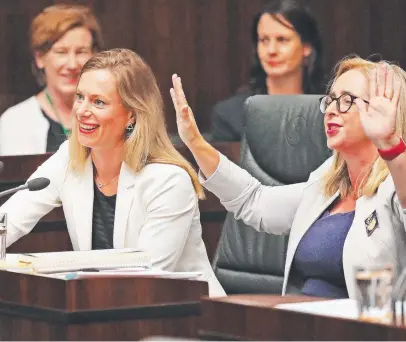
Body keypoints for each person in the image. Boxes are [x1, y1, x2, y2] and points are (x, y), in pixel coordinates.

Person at [171, 56, 406, 304]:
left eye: (347, 101)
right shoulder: (328, 182)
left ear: (388, 112)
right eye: (330, 100)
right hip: (302, 327)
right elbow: (255, 202)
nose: (331, 109)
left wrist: (391, 145)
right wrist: (196, 143)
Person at [1, 48, 225, 297]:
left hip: (184, 317)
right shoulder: (70, 158)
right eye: (80, 97)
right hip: (106, 312)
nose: (82, 111)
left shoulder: (168, 180)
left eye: (98, 102)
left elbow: (148, 277)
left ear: (132, 114)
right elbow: (11, 218)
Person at [210, 0, 324, 142]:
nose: (271, 50)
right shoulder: (231, 115)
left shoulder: (330, 111)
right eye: (264, 40)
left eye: (282, 40)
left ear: (306, 47)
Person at [0, 4, 104, 156]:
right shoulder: (15, 122)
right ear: (40, 58)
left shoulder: (112, 113)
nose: (72, 64)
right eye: (61, 52)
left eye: (81, 51)